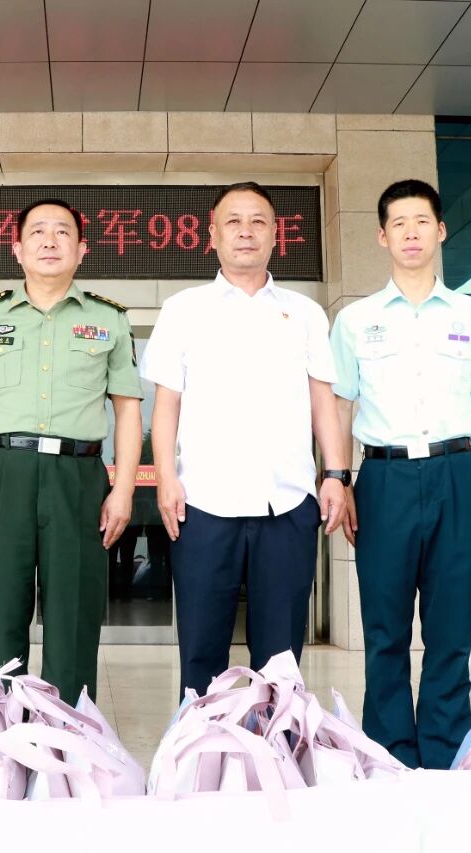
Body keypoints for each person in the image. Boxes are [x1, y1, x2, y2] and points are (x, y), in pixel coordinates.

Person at [329, 179, 471, 770]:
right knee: (384, 627)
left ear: (441, 231)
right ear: (382, 237)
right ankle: (388, 751)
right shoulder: (355, 320)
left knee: (450, 625)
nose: (411, 233)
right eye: (399, 224)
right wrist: (341, 480)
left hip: (456, 473)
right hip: (382, 480)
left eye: (422, 222)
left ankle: (444, 749)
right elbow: (339, 407)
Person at [141, 181, 348, 700]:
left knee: (281, 658)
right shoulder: (183, 309)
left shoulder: (305, 312)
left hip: (288, 501)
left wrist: (336, 475)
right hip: (202, 504)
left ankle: (275, 743)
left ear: (276, 235)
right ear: (212, 235)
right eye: (233, 221)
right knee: (201, 652)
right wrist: (165, 478)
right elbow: (166, 404)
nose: (246, 231)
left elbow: (323, 401)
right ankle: (199, 746)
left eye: (258, 221)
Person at [0, 198, 143, 705]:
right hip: (2, 471)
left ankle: (67, 731)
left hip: (77, 474)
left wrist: (122, 489)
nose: (49, 241)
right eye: (37, 232)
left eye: (62, 232)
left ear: (82, 250)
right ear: (17, 249)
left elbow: (127, 410)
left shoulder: (109, 320)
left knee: (73, 613)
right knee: (0, 609)